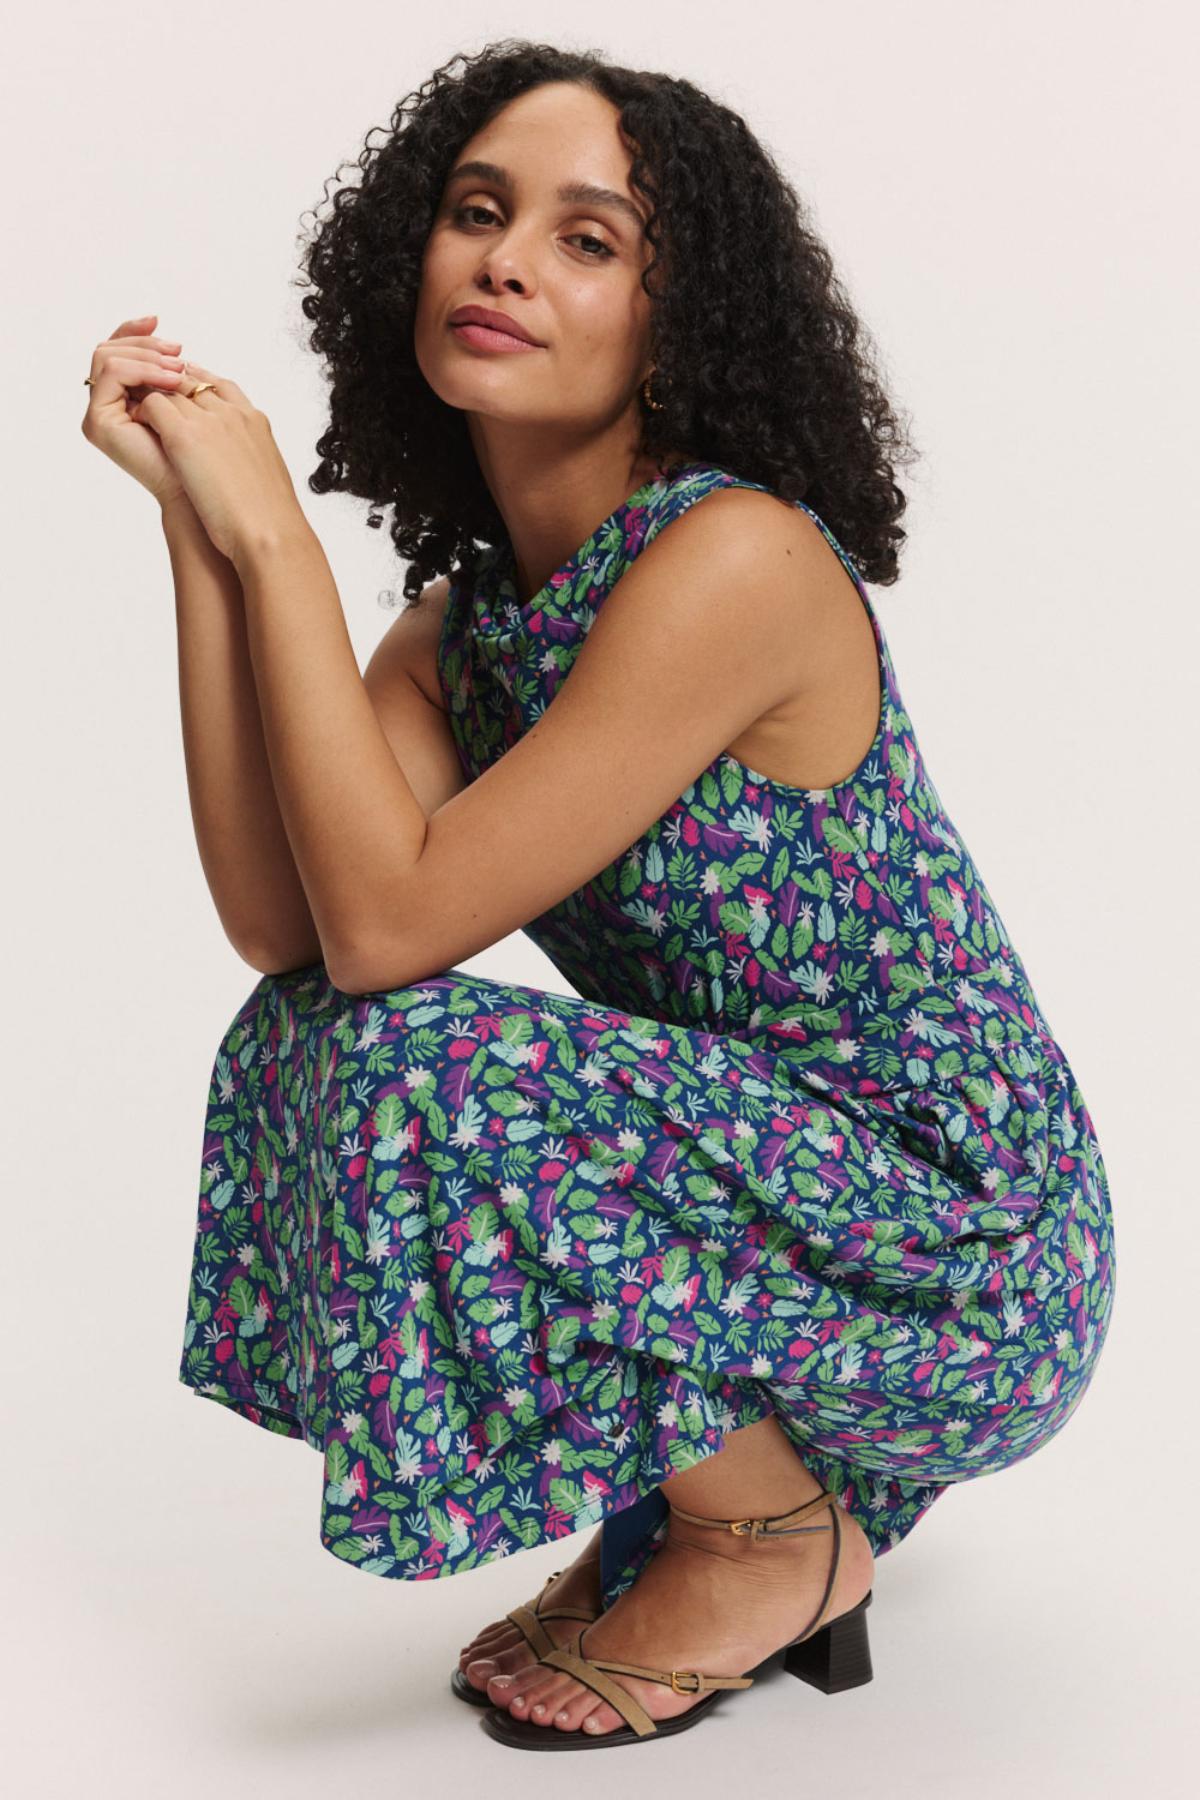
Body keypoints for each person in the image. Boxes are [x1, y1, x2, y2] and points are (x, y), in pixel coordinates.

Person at [82, 40, 1116, 1752]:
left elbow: (392, 934)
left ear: (676, 318)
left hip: (959, 1254)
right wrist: (206, 542)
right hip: (746, 1208)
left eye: (586, 239)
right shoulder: (466, 630)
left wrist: (282, 542)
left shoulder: (736, 557)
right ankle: (723, 1487)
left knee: (423, 1059)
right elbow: (293, 929)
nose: (503, 261)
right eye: (476, 212)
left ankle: (773, 1535)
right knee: (305, 1033)